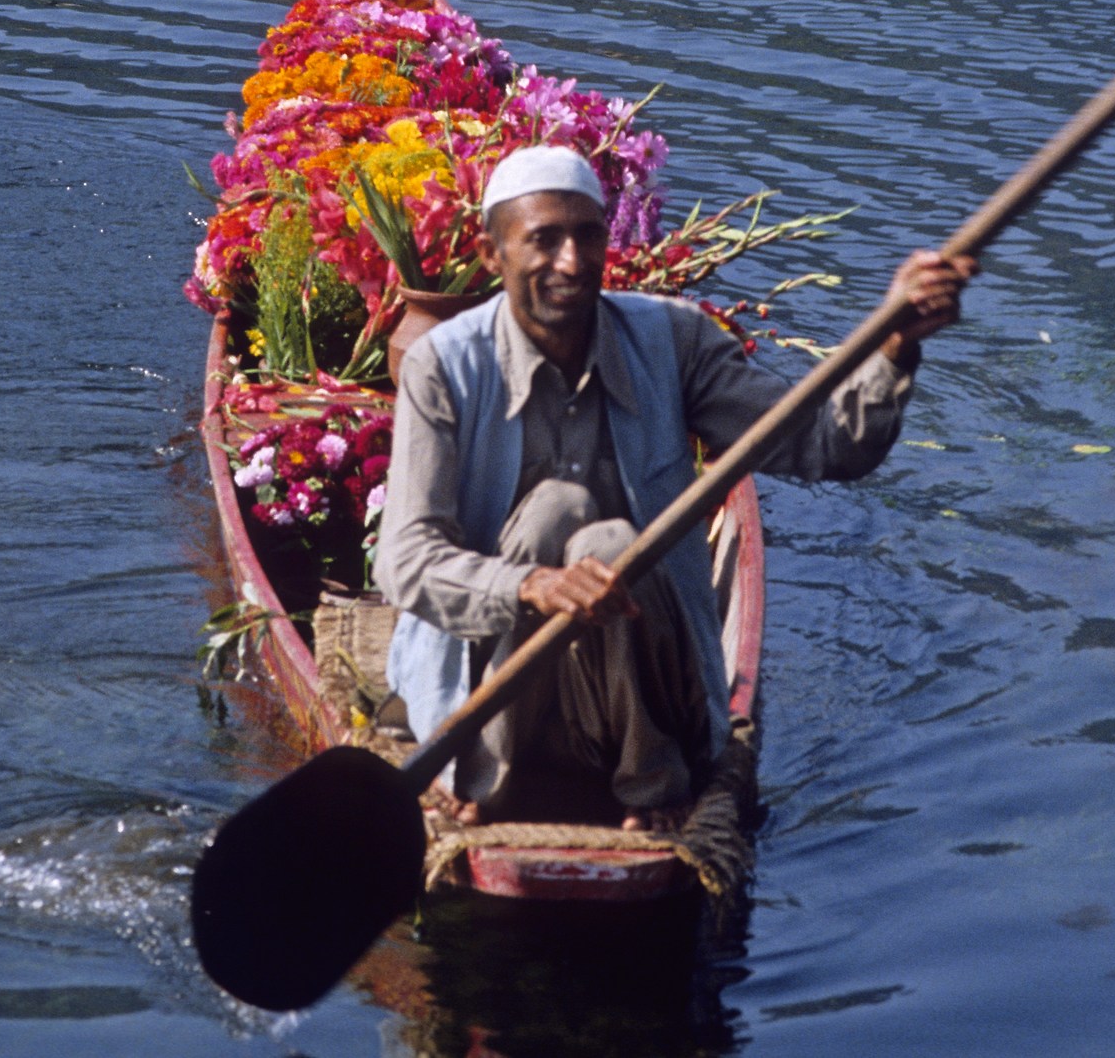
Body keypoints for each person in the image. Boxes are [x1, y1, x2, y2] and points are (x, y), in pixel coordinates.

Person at [378, 146, 975, 832]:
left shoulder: (673, 341)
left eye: (587, 235)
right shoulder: (442, 367)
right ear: (492, 255)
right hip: (497, 694)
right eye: (543, 240)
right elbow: (402, 561)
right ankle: (487, 777)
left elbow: (825, 446)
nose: (571, 262)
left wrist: (896, 345)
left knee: (608, 539)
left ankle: (653, 783)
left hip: (642, 685)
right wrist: (530, 586)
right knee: (556, 516)